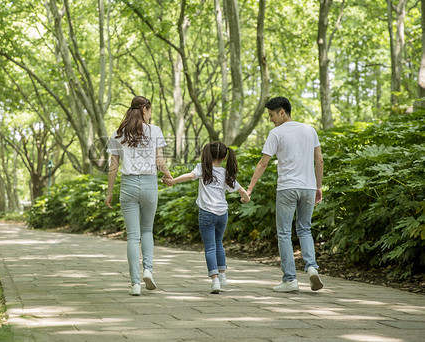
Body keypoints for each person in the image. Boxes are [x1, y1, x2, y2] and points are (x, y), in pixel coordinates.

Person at [246, 96, 324, 292]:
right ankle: (312, 268)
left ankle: (290, 279)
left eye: (272, 115)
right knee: (304, 229)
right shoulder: (309, 130)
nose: (271, 119)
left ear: (282, 112)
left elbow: (263, 163)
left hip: (288, 188)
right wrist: (318, 187)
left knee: (283, 233)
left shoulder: (276, 133)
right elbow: (319, 161)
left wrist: (249, 188)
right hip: (308, 187)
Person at [105, 96, 172, 296]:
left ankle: (135, 284)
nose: (150, 115)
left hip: (128, 185)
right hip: (150, 184)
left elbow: (113, 166)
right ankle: (148, 270)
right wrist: (168, 176)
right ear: (144, 109)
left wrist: (109, 192)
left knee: (133, 237)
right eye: (150, 111)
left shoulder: (118, 133)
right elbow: (159, 160)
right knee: (147, 231)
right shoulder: (155, 130)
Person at [163, 142, 250, 294]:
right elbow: (241, 190)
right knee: (219, 244)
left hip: (206, 213)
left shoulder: (203, 168)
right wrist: (245, 199)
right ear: (224, 156)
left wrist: (172, 180)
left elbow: (190, 176)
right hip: (222, 213)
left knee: (210, 247)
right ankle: (223, 276)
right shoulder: (226, 173)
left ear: (208, 154)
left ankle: (215, 280)